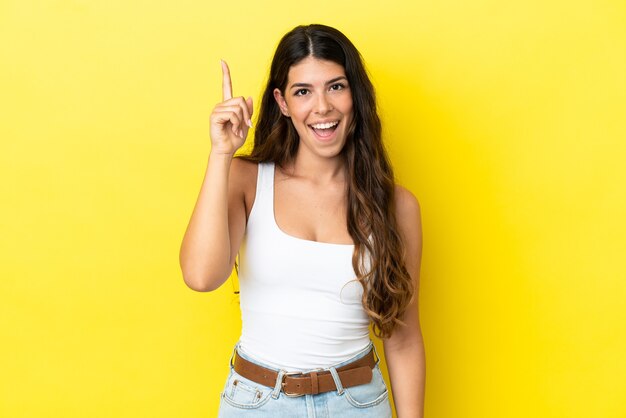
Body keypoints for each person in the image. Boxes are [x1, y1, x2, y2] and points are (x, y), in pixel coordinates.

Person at [179, 24, 425, 417]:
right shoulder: (246, 180)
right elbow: (201, 276)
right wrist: (221, 153)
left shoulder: (396, 206)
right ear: (282, 102)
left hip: (359, 404)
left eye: (336, 86)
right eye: (303, 91)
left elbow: (404, 338)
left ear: (355, 96)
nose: (322, 107)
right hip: (257, 403)